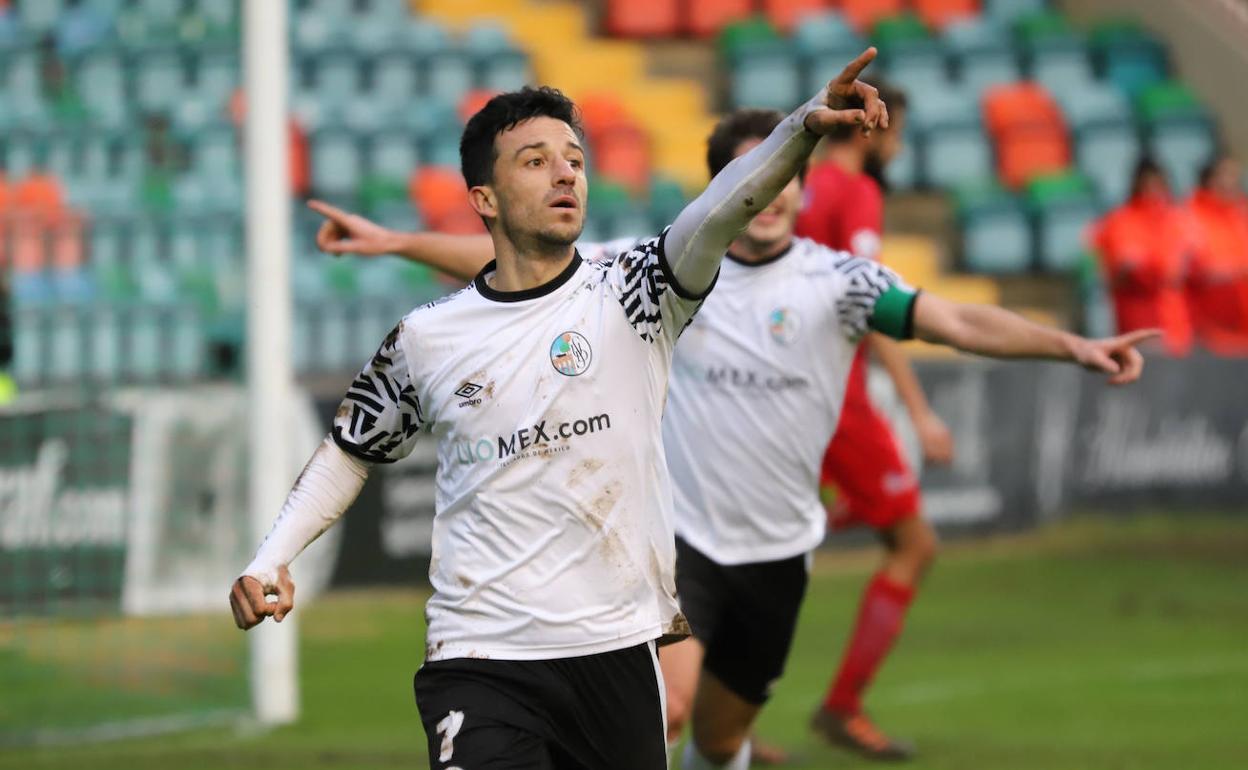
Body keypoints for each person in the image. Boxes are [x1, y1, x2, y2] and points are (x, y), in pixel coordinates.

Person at [307, 100, 1158, 770]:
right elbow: (511, 269)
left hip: (780, 551)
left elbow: (955, 320)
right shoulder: (655, 277)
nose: (772, 195)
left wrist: (1071, 346)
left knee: (719, 739)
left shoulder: (840, 283)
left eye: (783, 179)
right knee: (668, 709)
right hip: (682, 546)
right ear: (725, 191)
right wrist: (395, 245)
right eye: (752, 179)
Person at [229, 51, 891, 770]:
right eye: (536, 161)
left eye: (574, 159)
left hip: (616, 651)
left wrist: (802, 128)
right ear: (484, 197)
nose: (566, 173)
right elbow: (352, 449)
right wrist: (272, 558)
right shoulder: (427, 337)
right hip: (481, 658)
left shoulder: (638, 294)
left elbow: (724, 204)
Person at [794, 81, 950, 760]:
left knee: (754, 552)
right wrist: (918, 409)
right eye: (893, 131)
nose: (897, 145)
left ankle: (715, 717)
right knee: (914, 544)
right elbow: (871, 300)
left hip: (782, 390)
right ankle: (842, 706)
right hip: (836, 397)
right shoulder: (856, 193)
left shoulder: (794, 186)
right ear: (870, 130)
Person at [1090, 157, 1196, 356]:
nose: (1154, 191)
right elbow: (1111, 275)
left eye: (1159, 184)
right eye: (1148, 184)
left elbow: (1187, 271)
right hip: (1136, 324)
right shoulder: (1120, 220)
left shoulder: (1180, 220)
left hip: (1178, 324)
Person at [1186, 154, 1248, 355]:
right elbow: (1198, 269)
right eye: (1228, 175)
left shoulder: (1242, 213)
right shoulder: (1190, 216)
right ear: (1210, 179)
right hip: (1211, 336)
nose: (1235, 181)